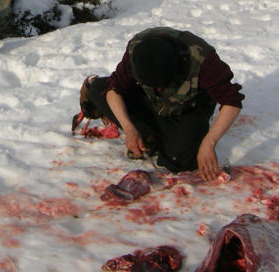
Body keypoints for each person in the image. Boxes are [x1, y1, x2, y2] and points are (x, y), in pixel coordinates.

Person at [81, 27, 244, 180]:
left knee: (181, 163)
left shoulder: (203, 59)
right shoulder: (137, 50)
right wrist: (129, 128)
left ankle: (163, 134)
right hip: (151, 100)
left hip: (189, 107)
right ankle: (147, 134)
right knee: (98, 89)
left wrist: (209, 142)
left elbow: (232, 101)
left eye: (161, 84)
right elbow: (114, 88)